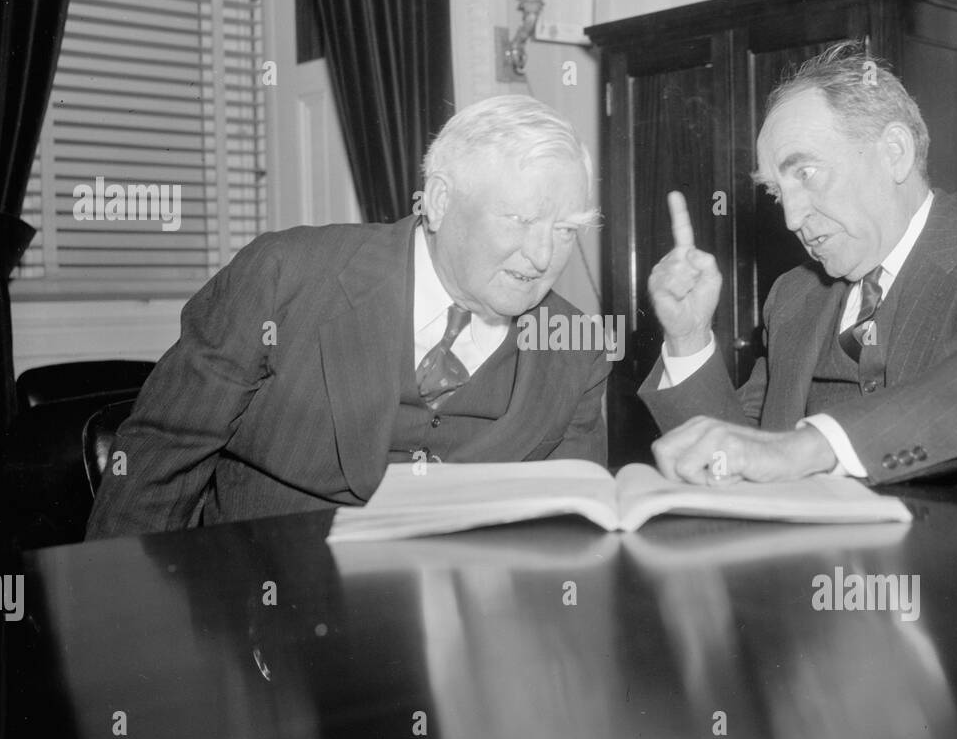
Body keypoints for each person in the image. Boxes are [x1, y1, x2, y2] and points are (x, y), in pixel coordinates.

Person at [86, 95, 609, 538]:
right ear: (442, 201)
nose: (543, 256)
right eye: (520, 220)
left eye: (565, 229)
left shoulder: (576, 347)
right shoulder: (284, 278)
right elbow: (160, 459)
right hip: (265, 605)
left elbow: (569, 531)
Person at [638, 41, 957, 498]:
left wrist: (816, 446)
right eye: (776, 193)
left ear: (895, 152)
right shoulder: (794, 297)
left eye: (805, 173)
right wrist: (688, 336)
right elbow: (735, 460)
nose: (791, 218)